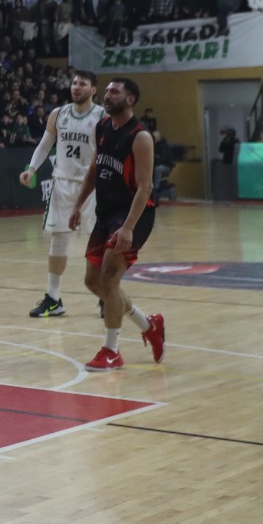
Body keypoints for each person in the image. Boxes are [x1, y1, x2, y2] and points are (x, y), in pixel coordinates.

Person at [71, 77, 165, 371]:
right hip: (106, 212)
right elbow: (94, 169)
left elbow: (145, 187)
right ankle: (148, 324)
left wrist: (128, 227)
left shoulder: (140, 137)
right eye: (108, 91)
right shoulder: (102, 127)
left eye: (115, 92)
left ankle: (111, 351)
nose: (108, 95)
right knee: (93, 281)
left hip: (134, 215)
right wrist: (78, 205)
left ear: (130, 99)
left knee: (110, 279)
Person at [20, 69, 103, 318]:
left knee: (97, 242)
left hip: (91, 187)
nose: (76, 87)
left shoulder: (102, 116)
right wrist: (31, 169)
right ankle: (53, 299)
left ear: (93, 90)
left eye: (82, 84)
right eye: (74, 83)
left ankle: (105, 296)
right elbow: (45, 144)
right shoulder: (59, 114)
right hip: (62, 184)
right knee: (58, 240)